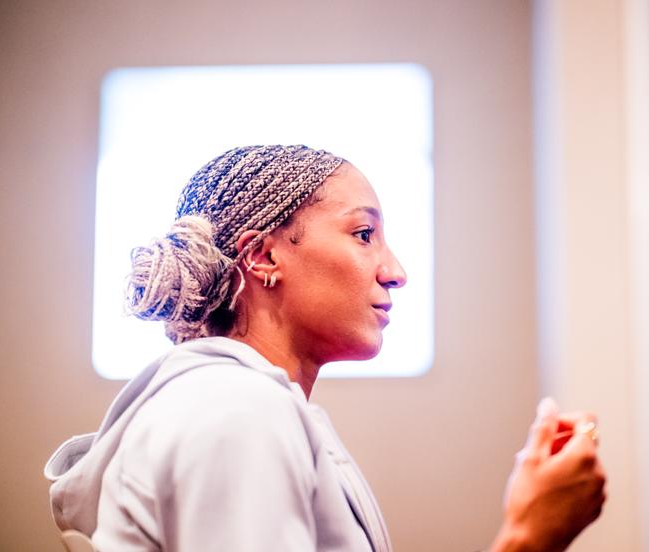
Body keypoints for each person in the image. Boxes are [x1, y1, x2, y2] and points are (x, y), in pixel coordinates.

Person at [44, 145, 605, 552]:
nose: (396, 271)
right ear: (262, 257)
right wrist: (530, 535)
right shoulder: (236, 410)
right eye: (364, 234)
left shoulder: (249, 406)